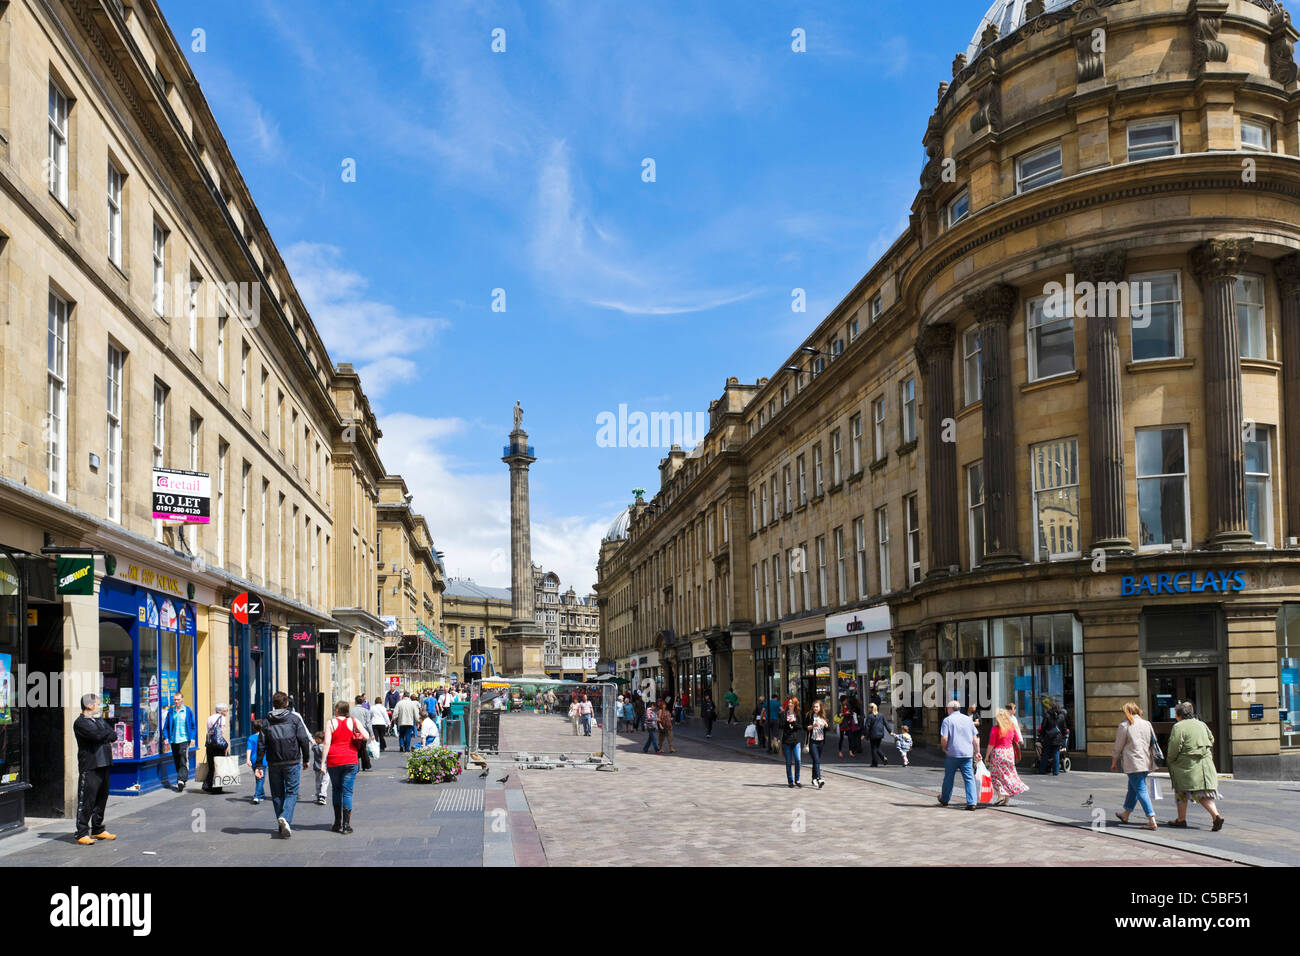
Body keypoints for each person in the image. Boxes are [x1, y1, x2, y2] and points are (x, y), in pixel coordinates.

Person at [254, 691, 312, 838]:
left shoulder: (267, 721)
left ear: (273, 704)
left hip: (274, 762)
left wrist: (259, 765)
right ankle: (285, 817)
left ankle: (282, 825)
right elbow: (303, 739)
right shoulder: (294, 719)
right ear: (287, 704)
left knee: (277, 794)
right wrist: (306, 759)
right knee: (292, 792)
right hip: (292, 761)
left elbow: (261, 744)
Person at [1166, 701, 1224, 831]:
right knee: (1203, 793)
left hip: (1186, 765)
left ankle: (1181, 819)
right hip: (1204, 764)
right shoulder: (1201, 724)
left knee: (1181, 790)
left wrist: (1171, 760)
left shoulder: (1178, 727)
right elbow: (1211, 739)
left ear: (1179, 715)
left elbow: (1175, 747)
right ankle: (1216, 816)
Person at [73, 693, 116, 846]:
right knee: (87, 800)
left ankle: (98, 829)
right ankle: (81, 832)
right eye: (98, 704)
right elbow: (97, 736)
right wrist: (105, 734)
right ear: (89, 705)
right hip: (90, 766)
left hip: (104, 764)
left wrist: (105, 734)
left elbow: (114, 735)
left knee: (101, 799)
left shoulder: (98, 720)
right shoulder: (80, 723)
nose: (99, 706)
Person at [1111, 702, 1158, 830]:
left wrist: (1114, 762)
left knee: (1141, 790)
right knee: (1133, 789)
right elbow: (1153, 742)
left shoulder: (1125, 725)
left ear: (1127, 712)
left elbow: (1118, 747)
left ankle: (1151, 819)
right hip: (1146, 761)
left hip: (1133, 763)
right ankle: (1125, 814)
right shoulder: (1146, 723)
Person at [322, 700, 362, 834]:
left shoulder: (330, 723)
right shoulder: (354, 721)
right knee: (348, 792)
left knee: (336, 790)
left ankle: (336, 823)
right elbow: (366, 736)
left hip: (334, 760)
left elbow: (327, 743)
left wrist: (322, 762)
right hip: (350, 760)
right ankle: (346, 825)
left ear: (337, 710)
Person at [938, 699, 981, 810]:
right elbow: (974, 739)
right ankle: (972, 802)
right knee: (969, 778)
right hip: (967, 754)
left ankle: (945, 799)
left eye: (947, 708)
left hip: (953, 753)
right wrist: (977, 752)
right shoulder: (968, 720)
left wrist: (944, 747)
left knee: (949, 777)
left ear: (950, 709)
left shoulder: (947, 720)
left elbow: (944, 738)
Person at [987, 709, 1029, 806]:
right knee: (1008, 775)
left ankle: (1000, 795)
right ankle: (1006, 800)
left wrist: (987, 756)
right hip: (1009, 754)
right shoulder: (1012, 727)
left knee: (995, 775)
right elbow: (1017, 740)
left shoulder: (995, 729)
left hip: (998, 754)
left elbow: (991, 744)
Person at [159, 692, 197, 792]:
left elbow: (193, 726)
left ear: (182, 699)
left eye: (178, 699)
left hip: (184, 739)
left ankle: (180, 780)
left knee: (182, 758)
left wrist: (192, 737)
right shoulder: (171, 712)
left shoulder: (187, 710)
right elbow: (166, 727)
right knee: (177, 760)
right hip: (174, 740)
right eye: (175, 700)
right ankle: (183, 779)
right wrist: (166, 737)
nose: (176, 701)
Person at [202, 703, 230, 793]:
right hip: (218, 745)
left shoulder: (210, 718)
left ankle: (207, 785)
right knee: (219, 766)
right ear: (222, 711)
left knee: (211, 766)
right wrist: (226, 745)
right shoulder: (222, 718)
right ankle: (217, 788)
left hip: (210, 744)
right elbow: (221, 734)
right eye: (226, 710)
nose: (227, 712)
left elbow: (209, 732)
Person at [779, 697, 804, 788]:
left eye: (792, 703)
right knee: (788, 761)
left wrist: (793, 723)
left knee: (798, 760)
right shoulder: (783, 714)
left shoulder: (798, 715)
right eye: (789, 703)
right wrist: (787, 721)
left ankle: (797, 779)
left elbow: (801, 727)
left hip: (796, 741)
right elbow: (780, 726)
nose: (790, 704)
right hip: (786, 740)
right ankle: (790, 781)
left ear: (795, 704)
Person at [805, 699, 829, 788]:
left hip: (821, 741)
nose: (815, 708)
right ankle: (819, 778)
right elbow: (805, 727)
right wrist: (813, 726)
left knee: (816, 761)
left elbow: (827, 729)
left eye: (817, 707)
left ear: (820, 707)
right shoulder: (810, 716)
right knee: (816, 760)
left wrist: (826, 725)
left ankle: (813, 779)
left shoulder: (822, 716)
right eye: (814, 706)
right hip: (812, 741)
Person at [1037, 704, 1065, 775]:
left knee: (1045, 754)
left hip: (1048, 738)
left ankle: (1042, 770)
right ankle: (1056, 771)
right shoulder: (1061, 716)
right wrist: (1062, 736)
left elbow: (1043, 727)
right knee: (1056, 754)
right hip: (1058, 738)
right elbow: (1063, 728)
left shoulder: (1047, 715)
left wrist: (1042, 736)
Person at [246, 719, 269, 804]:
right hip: (263, 760)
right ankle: (257, 796)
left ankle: (261, 794)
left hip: (253, 760)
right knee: (260, 778)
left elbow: (249, 749)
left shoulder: (251, 737)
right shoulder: (266, 737)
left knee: (258, 778)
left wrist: (248, 759)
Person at [864, 702, 893, 767]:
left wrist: (865, 734)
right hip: (880, 733)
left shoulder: (870, 716)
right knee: (877, 748)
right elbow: (886, 723)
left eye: (869, 707)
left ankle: (875, 762)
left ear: (871, 708)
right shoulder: (881, 715)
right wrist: (890, 731)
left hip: (873, 734)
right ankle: (882, 758)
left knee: (874, 749)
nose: (868, 709)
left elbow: (867, 726)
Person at [350, 696, 374, 771]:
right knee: (363, 748)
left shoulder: (351, 711)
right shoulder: (366, 711)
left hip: (353, 732)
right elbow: (368, 723)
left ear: (355, 701)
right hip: (363, 732)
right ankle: (365, 765)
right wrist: (372, 734)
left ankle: (356, 766)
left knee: (354, 749)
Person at [311, 730, 329, 805]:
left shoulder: (315, 747)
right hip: (325, 768)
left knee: (318, 782)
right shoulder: (325, 747)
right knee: (325, 782)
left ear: (319, 739)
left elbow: (313, 747)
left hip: (317, 768)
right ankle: (322, 796)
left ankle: (318, 795)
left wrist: (313, 743)